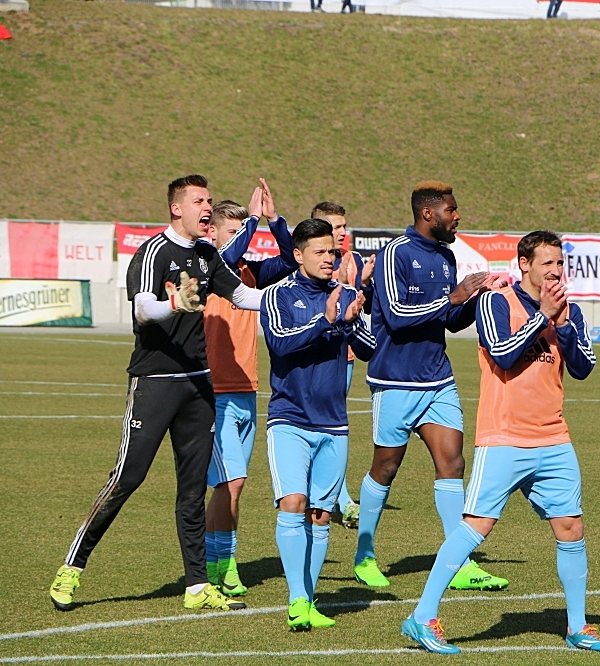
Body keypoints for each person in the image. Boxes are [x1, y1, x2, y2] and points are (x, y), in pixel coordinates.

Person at [49, 175, 264, 612]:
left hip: (199, 385)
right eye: (199, 201)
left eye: (208, 200)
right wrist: (174, 306)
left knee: (192, 491)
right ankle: (72, 568)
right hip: (154, 384)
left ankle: (197, 587)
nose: (207, 208)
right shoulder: (153, 252)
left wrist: (305, 296)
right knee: (127, 479)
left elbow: (242, 295)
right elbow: (142, 307)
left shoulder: (207, 254)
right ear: (176, 208)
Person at [401, 231, 600, 654]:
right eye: (547, 263)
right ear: (524, 265)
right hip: (503, 438)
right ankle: (422, 617)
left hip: (553, 436)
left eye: (559, 263)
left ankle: (577, 626)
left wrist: (565, 323)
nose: (555, 271)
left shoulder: (566, 310)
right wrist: (542, 317)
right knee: (477, 527)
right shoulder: (497, 302)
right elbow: (501, 353)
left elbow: (584, 367)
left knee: (571, 526)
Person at [353, 181, 508, 591]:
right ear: (428, 214)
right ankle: (364, 554)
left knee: (452, 463)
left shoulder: (445, 255)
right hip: (395, 379)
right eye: (452, 210)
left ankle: (458, 560)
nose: (458, 216)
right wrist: (454, 298)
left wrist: (476, 296)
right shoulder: (394, 254)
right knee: (386, 466)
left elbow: (449, 321)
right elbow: (399, 315)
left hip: (437, 378)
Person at [260, 217, 376, 630]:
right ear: (298, 255)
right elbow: (280, 343)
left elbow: (367, 348)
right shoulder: (276, 295)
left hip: (334, 423)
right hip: (289, 418)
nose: (330, 259)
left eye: (333, 252)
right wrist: (326, 321)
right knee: (292, 503)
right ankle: (296, 600)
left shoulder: (344, 294)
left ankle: (309, 601)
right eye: (321, 252)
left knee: (321, 515)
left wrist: (351, 319)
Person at [202, 181, 297, 597]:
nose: (240, 235)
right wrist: (253, 220)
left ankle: (219, 560)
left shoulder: (249, 272)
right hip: (215, 392)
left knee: (232, 485)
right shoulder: (208, 265)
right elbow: (229, 255)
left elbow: (292, 262)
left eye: (243, 228)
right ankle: (223, 562)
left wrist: (274, 221)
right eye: (233, 229)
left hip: (247, 390)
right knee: (231, 483)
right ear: (215, 234)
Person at [309, 201, 376, 530]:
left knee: (334, 424)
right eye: (337, 227)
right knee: (310, 425)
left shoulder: (353, 261)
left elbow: (360, 305)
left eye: (344, 227)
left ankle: (340, 496)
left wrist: (364, 283)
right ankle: (327, 495)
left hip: (344, 356)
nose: (343, 233)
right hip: (309, 355)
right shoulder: (312, 262)